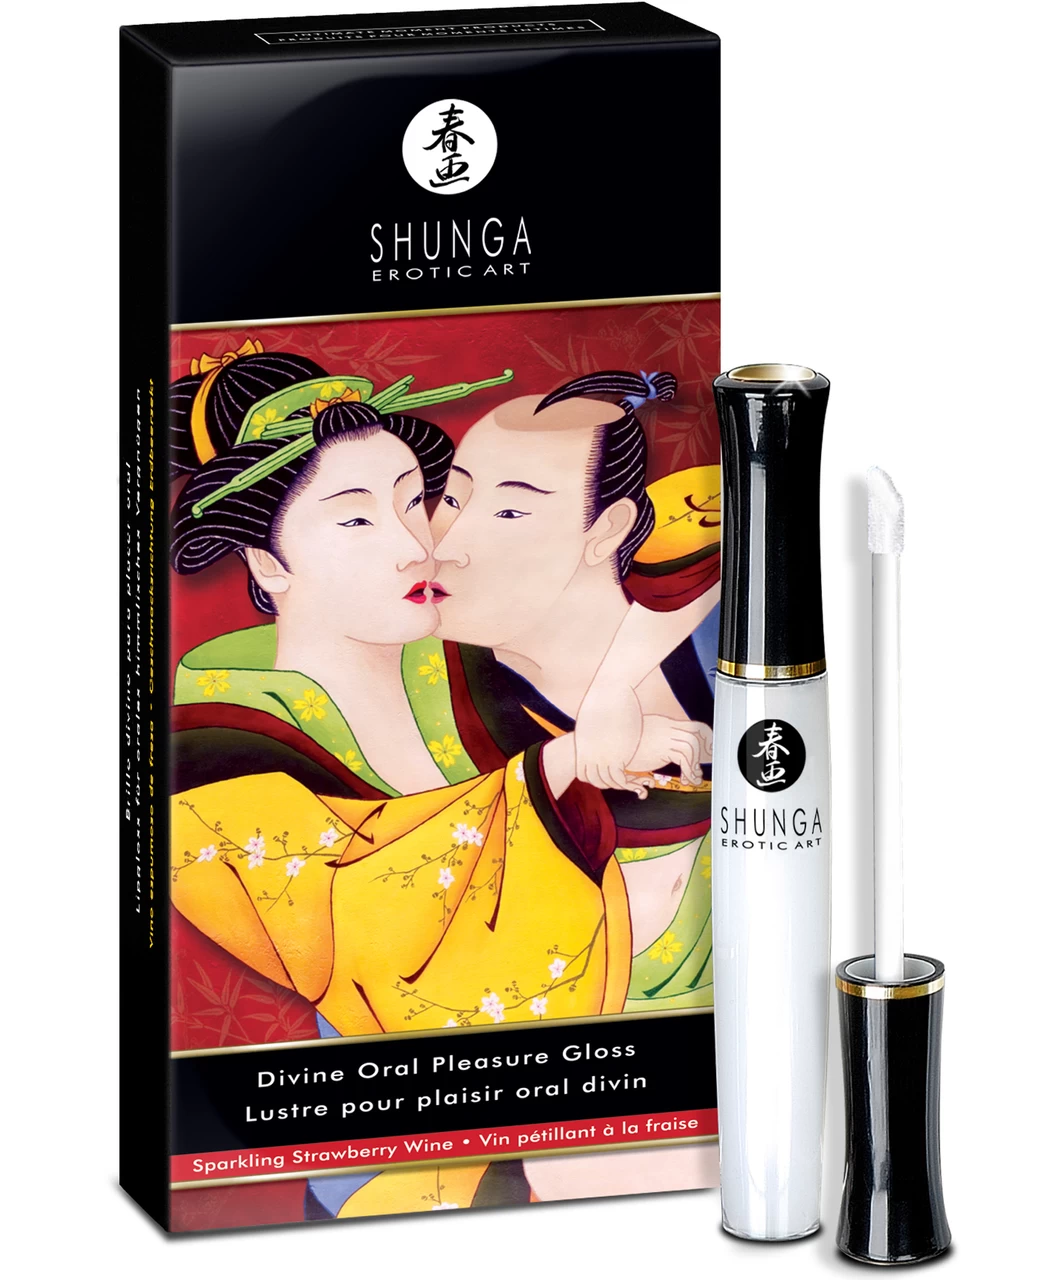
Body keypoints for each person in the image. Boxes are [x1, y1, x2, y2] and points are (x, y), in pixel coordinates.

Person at [167, 344, 711, 1223]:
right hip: (401, 1144)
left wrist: (620, 689)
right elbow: (350, 924)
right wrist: (563, 765)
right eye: (356, 520)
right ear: (268, 565)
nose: (420, 543)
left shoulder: (462, 668)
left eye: (415, 501)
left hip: (605, 1110)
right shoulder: (219, 735)